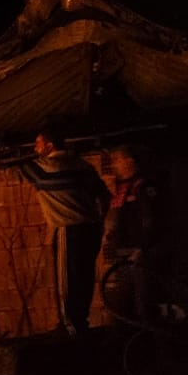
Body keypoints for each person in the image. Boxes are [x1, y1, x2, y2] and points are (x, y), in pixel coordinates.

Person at [14, 120, 110, 335]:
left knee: (66, 277)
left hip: (68, 228)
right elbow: (104, 196)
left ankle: (69, 325)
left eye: (38, 144)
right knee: (84, 275)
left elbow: (17, 168)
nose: (35, 149)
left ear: (49, 146)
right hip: (91, 229)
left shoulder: (46, 169)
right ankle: (80, 321)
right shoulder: (84, 167)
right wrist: (98, 219)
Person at [102, 147, 157, 324]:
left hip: (138, 256)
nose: (113, 164)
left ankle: (153, 343)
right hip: (123, 255)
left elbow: (151, 219)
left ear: (129, 161)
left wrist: (141, 248)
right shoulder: (122, 188)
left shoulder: (141, 186)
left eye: (117, 159)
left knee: (144, 306)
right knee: (122, 307)